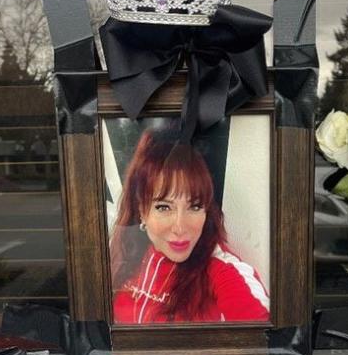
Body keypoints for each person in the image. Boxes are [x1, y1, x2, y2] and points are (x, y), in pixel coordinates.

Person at [109, 129, 270, 324]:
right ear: (142, 210)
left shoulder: (219, 270)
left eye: (194, 206)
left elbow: (271, 341)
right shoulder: (122, 251)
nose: (180, 227)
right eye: (164, 207)